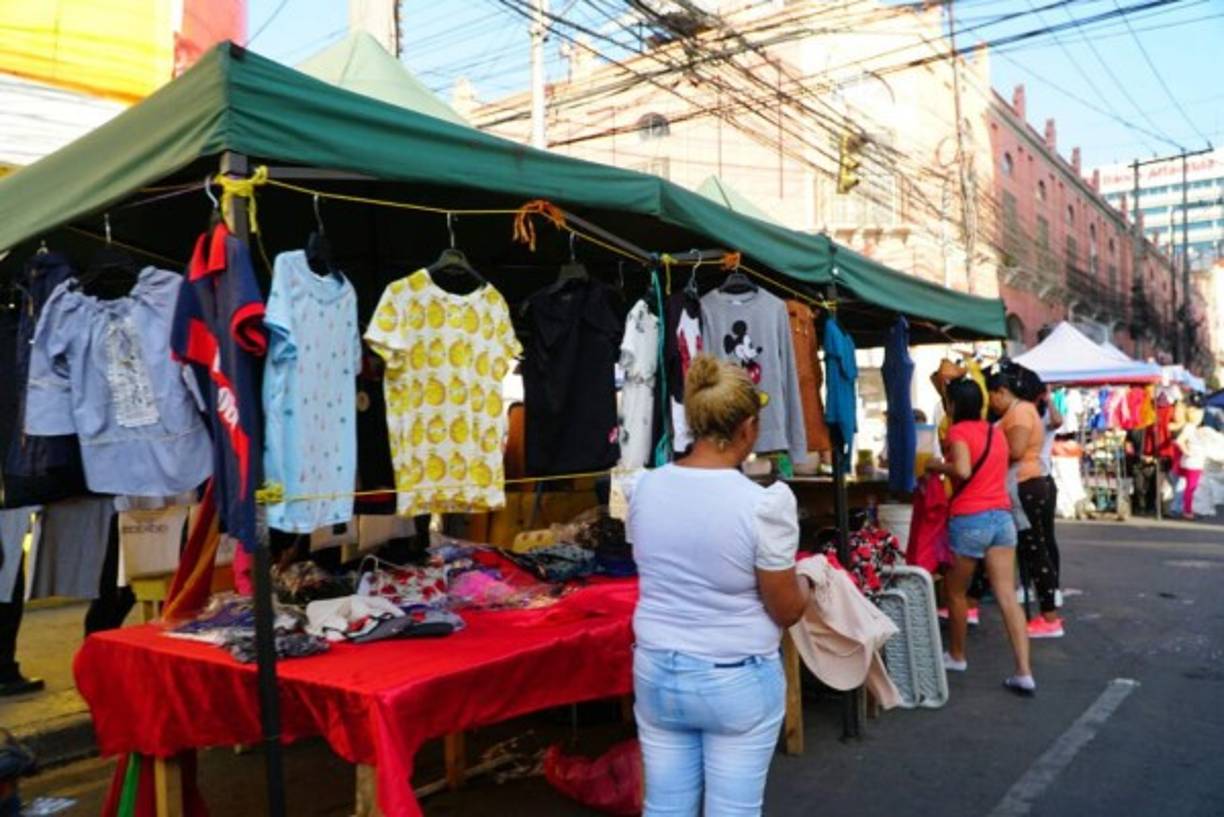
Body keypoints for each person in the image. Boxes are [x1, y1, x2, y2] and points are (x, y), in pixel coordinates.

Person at [628, 355, 812, 816]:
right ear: (748, 428)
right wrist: (809, 585)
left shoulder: (643, 488)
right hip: (735, 677)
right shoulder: (763, 505)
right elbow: (786, 609)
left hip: (656, 671)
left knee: (664, 808)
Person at [926, 379, 1035, 696]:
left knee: (956, 593)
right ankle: (1024, 671)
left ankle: (957, 655)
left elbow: (960, 469)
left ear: (954, 406)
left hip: (969, 519)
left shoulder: (959, 432)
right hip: (1002, 519)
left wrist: (934, 465)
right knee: (1006, 597)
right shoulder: (995, 431)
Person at [989, 368, 1064, 638]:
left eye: (992, 396)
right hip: (1030, 484)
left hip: (1024, 485)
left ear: (1002, 392)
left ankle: (1049, 617)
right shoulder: (1025, 410)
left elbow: (1017, 450)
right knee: (1036, 549)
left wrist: (992, 453)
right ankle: (1048, 612)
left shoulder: (1019, 412)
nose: (991, 403)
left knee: (1035, 550)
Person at [1035, 389, 1064, 603]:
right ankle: (1028, 584)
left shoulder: (1044, 416)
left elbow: (1057, 421)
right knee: (1026, 538)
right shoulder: (1018, 415)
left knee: (1046, 535)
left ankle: (1054, 586)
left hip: (1043, 479)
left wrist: (1050, 398)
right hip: (1023, 481)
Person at [1176, 407, 1207, 521]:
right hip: (1193, 463)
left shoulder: (1192, 427)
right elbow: (1179, 441)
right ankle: (1187, 511)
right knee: (1191, 488)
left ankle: (1188, 509)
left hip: (1194, 462)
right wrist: (1188, 452)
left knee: (1190, 487)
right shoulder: (1189, 427)